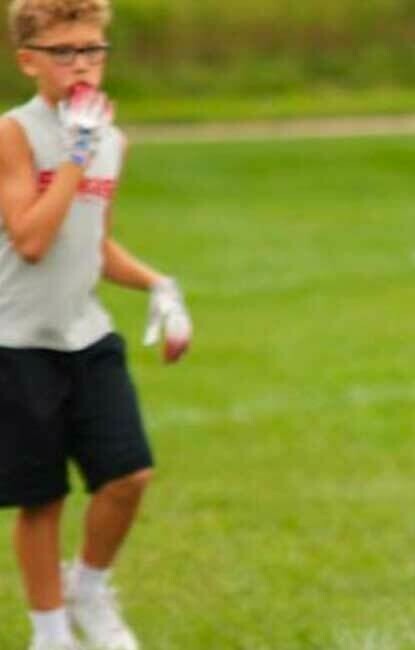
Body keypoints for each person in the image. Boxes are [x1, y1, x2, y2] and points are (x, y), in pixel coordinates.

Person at [0, 1, 192, 648]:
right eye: (64, 51)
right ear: (29, 61)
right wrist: (75, 157)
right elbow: (29, 239)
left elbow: (94, 245)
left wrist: (159, 285)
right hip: (19, 342)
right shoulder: (14, 134)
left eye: (92, 49)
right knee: (42, 497)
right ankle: (50, 634)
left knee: (128, 474)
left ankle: (87, 588)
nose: (81, 63)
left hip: (86, 333)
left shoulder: (112, 138)